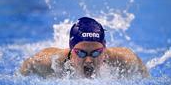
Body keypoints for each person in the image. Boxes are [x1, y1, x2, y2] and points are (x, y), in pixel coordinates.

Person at [20, 17, 149, 79]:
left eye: (95, 53)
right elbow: (26, 67)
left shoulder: (126, 60)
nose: (88, 60)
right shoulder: (48, 62)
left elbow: (145, 77)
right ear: (71, 50)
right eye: (81, 53)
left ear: (104, 49)